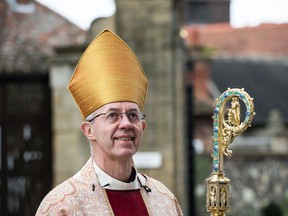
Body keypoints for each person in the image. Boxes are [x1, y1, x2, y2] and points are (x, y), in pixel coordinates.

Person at [36, 29, 183, 215]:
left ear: (143, 126)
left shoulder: (163, 200)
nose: (126, 124)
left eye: (132, 115)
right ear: (89, 130)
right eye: (112, 115)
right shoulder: (63, 205)